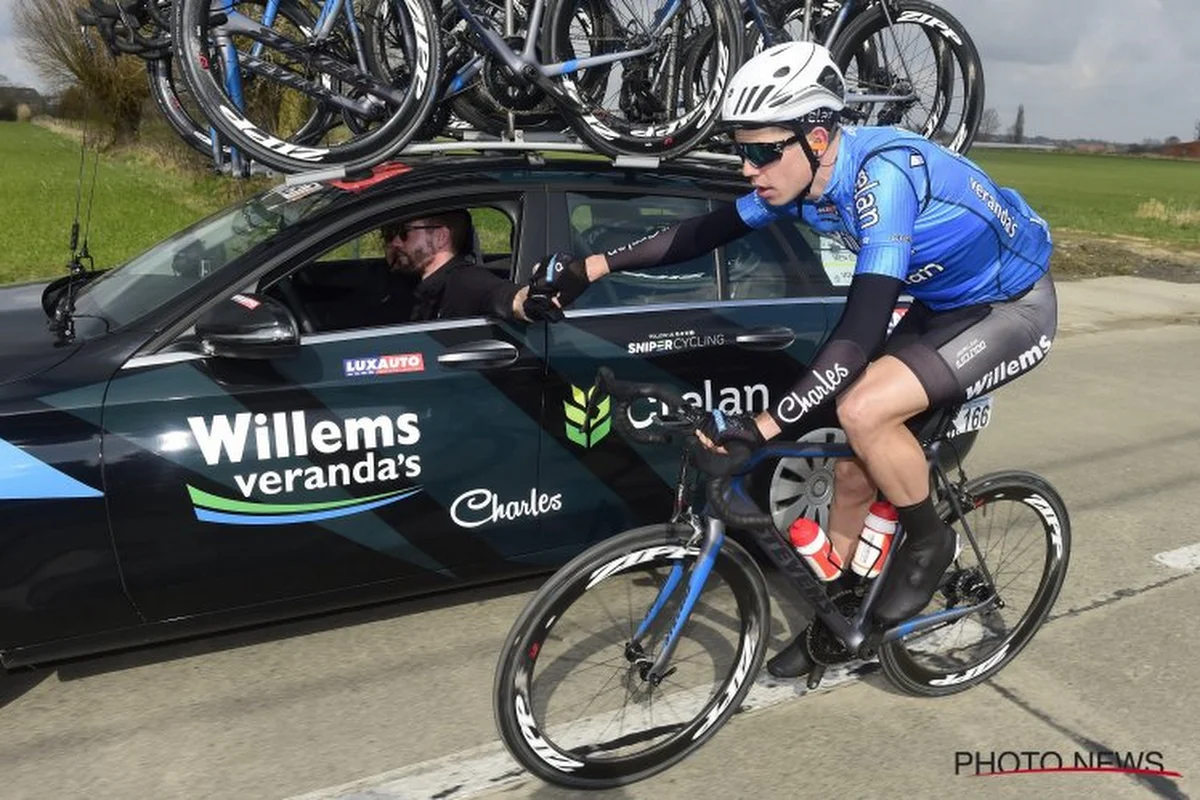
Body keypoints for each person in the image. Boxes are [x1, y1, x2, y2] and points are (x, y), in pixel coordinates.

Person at [522, 42, 1058, 678]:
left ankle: (931, 541)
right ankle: (845, 611)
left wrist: (763, 428)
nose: (749, 167)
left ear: (820, 137)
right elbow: (702, 233)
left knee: (860, 408)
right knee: (857, 468)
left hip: (1011, 307)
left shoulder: (881, 180)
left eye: (762, 151)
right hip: (943, 302)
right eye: (742, 150)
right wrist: (592, 266)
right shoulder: (800, 177)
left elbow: (856, 336)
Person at [378, 209, 533, 322]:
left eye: (404, 233)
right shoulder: (411, 280)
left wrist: (535, 299)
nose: (395, 242)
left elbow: (508, 297)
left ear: (440, 237)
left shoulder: (465, 281)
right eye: (389, 235)